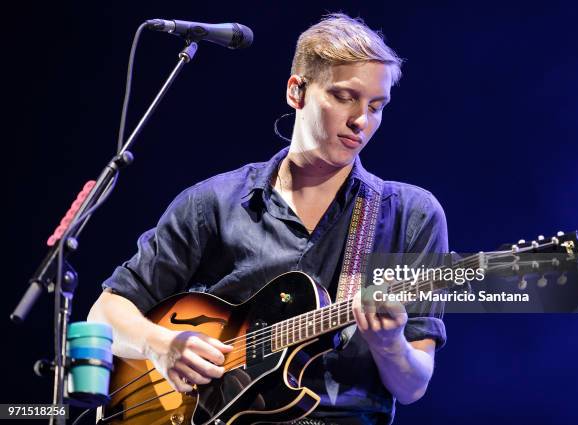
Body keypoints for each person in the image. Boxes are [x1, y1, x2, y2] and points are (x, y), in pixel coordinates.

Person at [88, 13, 448, 425]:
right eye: (345, 97)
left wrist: (388, 345)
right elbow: (105, 313)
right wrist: (161, 345)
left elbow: (412, 386)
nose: (361, 121)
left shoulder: (412, 215)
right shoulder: (214, 203)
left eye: (376, 106)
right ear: (297, 91)